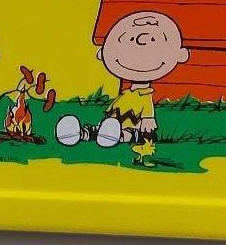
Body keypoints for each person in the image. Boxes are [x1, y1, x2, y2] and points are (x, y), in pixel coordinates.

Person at [56, 10, 189, 149]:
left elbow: (147, 111)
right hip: (114, 123)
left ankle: (114, 136)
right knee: (101, 128)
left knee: (129, 133)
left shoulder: (144, 95)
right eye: (130, 40)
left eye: (152, 40)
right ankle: (79, 134)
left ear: (181, 55)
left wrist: (148, 120)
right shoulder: (127, 94)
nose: (141, 43)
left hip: (133, 127)